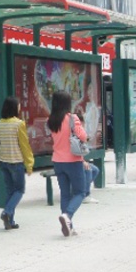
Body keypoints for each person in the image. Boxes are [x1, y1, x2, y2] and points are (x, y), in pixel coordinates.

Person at [47, 91, 88, 237]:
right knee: (80, 192)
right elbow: (83, 136)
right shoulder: (72, 118)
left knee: (65, 194)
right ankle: (68, 215)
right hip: (73, 160)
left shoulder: (51, 120)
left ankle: (69, 226)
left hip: (58, 161)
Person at [0, 96, 34, 230]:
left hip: (3, 161)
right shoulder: (19, 124)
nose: (20, 107)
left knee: (10, 191)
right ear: (14, 108)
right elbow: (24, 145)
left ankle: (10, 222)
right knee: (20, 190)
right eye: (18, 105)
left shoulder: (0, 123)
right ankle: (7, 212)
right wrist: (29, 164)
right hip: (16, 162)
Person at [75, 109, 99, 204]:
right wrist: (82, 161)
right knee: (88, 169)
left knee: (95, 170)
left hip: (77, 161)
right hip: (72, 162)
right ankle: (85, 195)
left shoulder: (79, 135)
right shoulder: (72, 136)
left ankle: (81, 189)